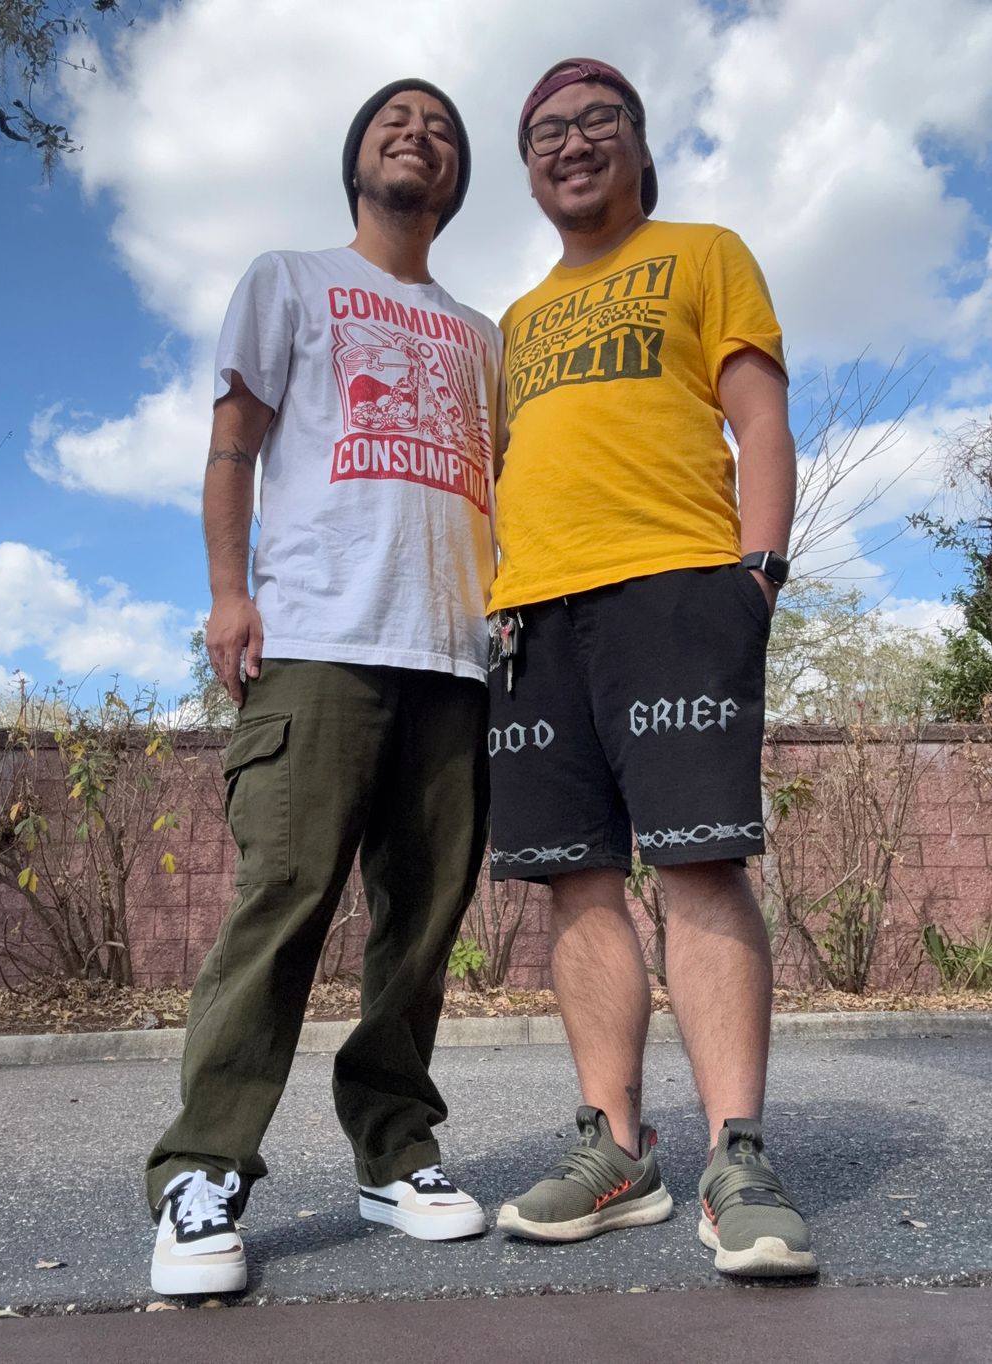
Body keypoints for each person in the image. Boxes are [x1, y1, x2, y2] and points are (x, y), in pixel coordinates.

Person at [146, 79, 501, 1296]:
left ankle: (396, 1151)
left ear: (456, 180)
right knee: (285, 900)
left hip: (455, 656)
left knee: (422, 923)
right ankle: (203, 1168)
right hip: (317, 642)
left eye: (441, 129)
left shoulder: (483, 333)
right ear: (357, 156)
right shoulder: (288, 279)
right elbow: (233, 443)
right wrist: (226, 591)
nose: (418, 135)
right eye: (395, 121)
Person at [487, 58, 817, 1278]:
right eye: (546, 133)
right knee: (575, 881)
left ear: (636, 145)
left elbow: (761, 413)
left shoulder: (704, 251)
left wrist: (759, 574)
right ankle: (616, 1148)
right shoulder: (515, 322)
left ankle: (739, 1155)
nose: (570, 144)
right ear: (530, 170)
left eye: (596, 123)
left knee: (699, 861)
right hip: (532, 614)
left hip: (677, 584)